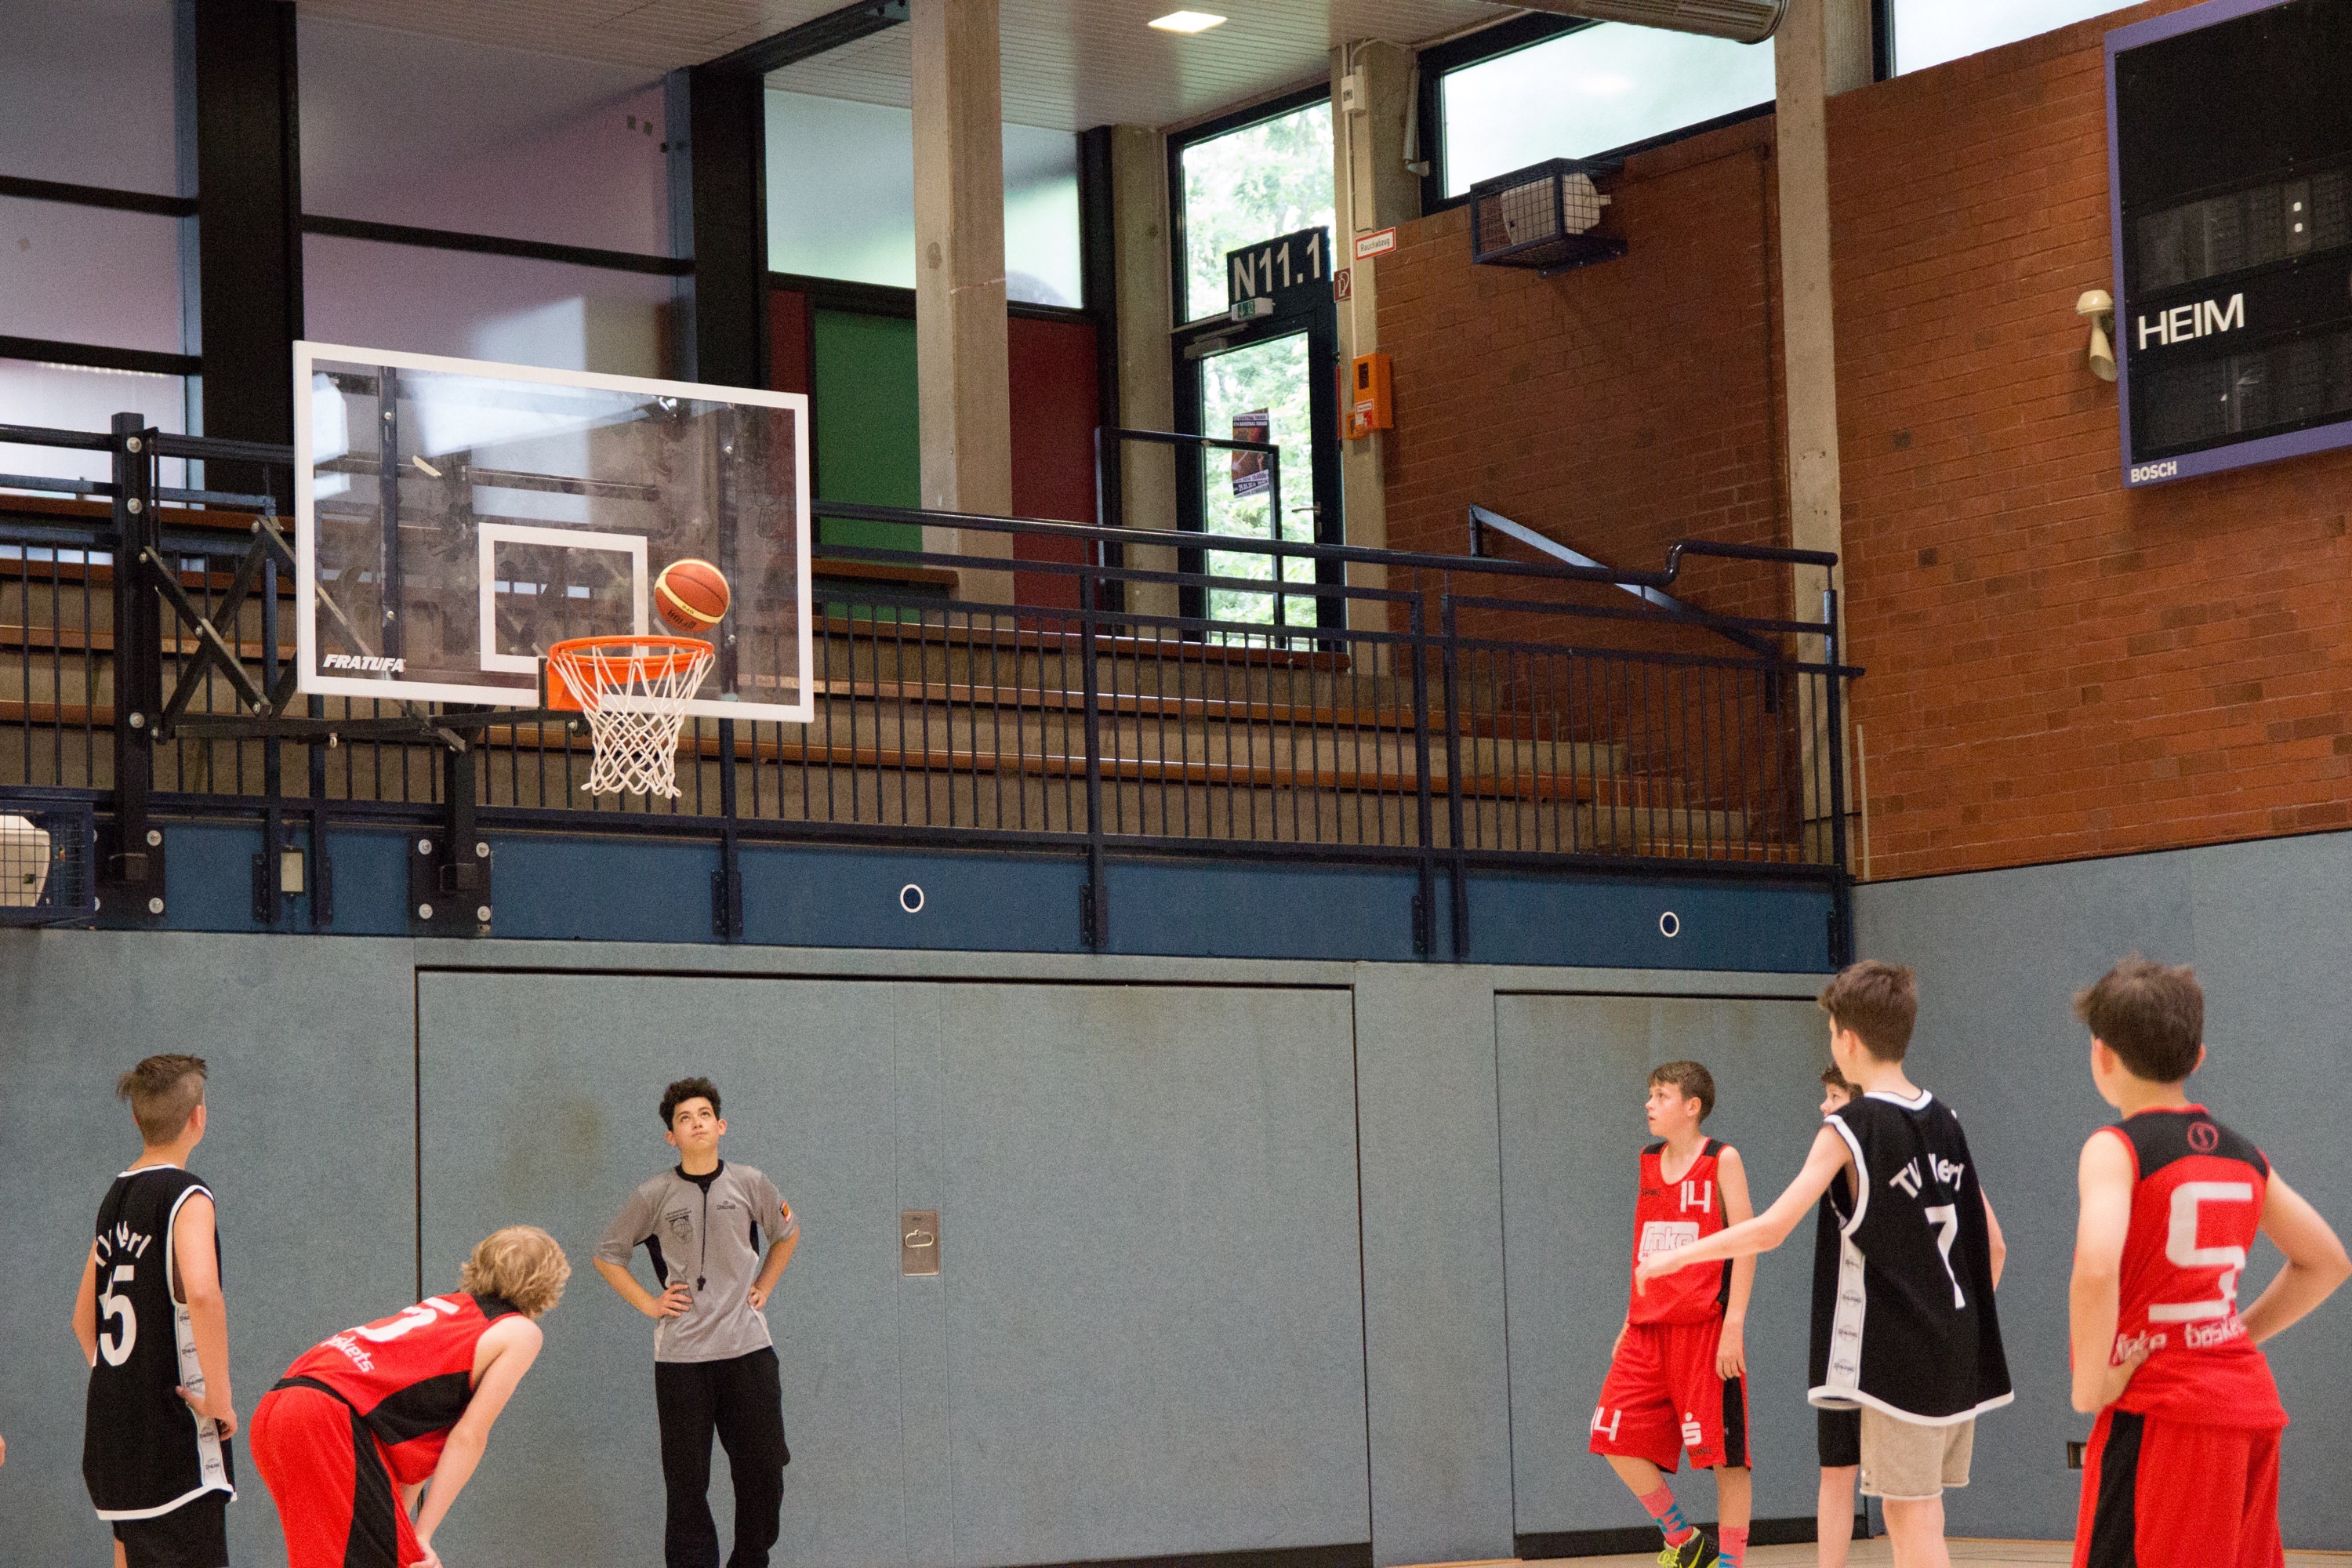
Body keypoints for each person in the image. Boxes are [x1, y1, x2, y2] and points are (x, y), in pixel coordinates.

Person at [1638, 962, 2011, 1568]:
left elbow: (1771, 1228)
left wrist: (1677, 1255)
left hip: (1902, 1356)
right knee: (1924, 1511)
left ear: (1848, 1040)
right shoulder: (1946, 1119)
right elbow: (1993, 1245)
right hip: (1958, 1349)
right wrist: (1955, 1330)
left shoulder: (1850, 1126)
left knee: (1909, 1518)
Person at [2067, 956, 2350, 1568]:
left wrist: (2092, 1385)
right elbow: (2327, 1262)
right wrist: (2233, 1334)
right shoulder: (2242, 1155)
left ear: (2101, 1055)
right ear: (2198, 1058)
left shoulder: (2115, 1148)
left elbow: (2096, 1266)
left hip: (2164, 1411)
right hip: (2248, 1407)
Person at [247, 1225, 567, 1568]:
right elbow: (469, 1436)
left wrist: (408, 1537)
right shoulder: (519, 1331)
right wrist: (423, 1534)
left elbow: (415, 1454)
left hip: (281, 1406)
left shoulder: (445, 1307)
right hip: (328, 1417)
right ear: (549, 1282)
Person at [596, 1077, 800, 1568]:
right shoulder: (653, 1195)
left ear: (721, 1125)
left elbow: (787, 1233)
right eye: (684, 1119)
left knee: (764, 1469)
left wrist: (765, 1286)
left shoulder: (751, 1183)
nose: (697, 1124)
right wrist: (650, 1304)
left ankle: (750, 1559)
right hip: (682, 1361)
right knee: (687, 1485)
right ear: (672, 1136)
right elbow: (607, 1255)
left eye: (704, 1114)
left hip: (748, 1352)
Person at [1589, 1061, 1755, 1568]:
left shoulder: (1722, 1159)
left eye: (1661, 1095)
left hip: (1704, 1330)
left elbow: (1748, 1244)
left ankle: (1730, 1563)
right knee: (1611, 1435)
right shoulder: (1647, 1160)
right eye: (1651, 1094)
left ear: (1692, 1106)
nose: (1649, 1103)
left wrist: (1733, 1325)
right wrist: (1629, 1316)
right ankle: (1684, 1540)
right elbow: (1644, 1244)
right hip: (1647, 1329)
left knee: (1726, 1458)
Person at [76, 1054, 238, 1568]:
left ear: (136, 1119)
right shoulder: (186, 1195)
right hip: (173, 1437)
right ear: (198, 1118)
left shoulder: (114, 1200)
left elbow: (82, 1320)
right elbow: (204, 1294)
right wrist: (220, 1398)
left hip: (113, 1437)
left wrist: (123, 1384)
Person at [1813, 1065, 1861, 1568]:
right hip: (1842, 1349)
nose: (1825, 1107)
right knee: (1837, 1470)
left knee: (1907, 1499)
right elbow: (1993, 1247)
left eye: (1835, 1096)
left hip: (1875, 1346)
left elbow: (1771, 1228)